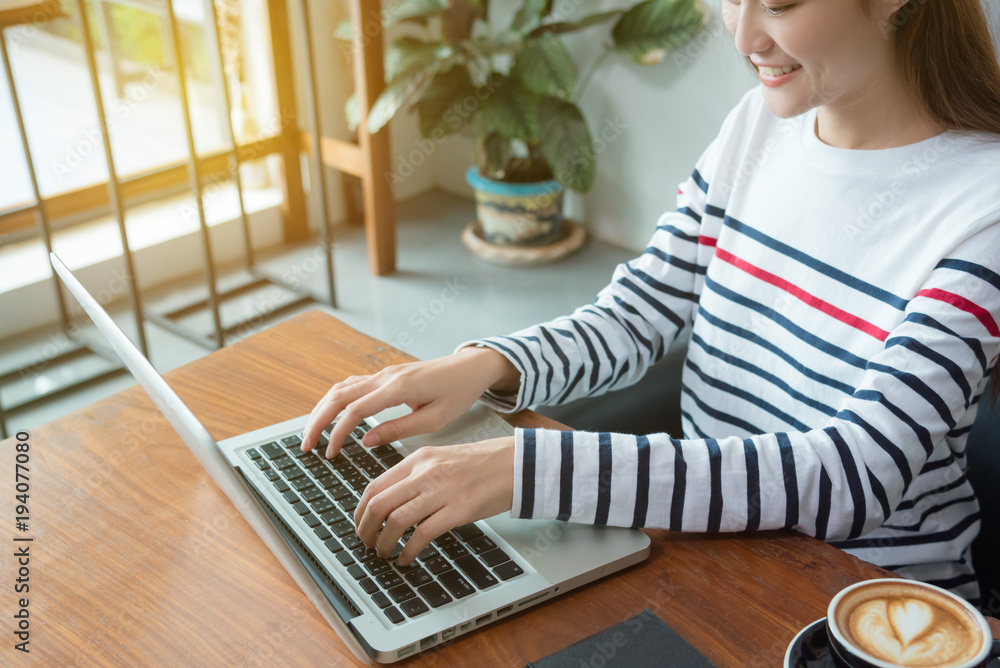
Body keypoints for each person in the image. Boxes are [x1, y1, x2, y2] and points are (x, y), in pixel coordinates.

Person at [302, 0, 1000, 602]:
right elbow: (638, 313)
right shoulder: (756, 127)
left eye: (781, 6)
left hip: (862, 601)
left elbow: (851, 476)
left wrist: (529, 468)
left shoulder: (982, 207)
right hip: (709, 546)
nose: (744, 36)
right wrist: (487, 365)